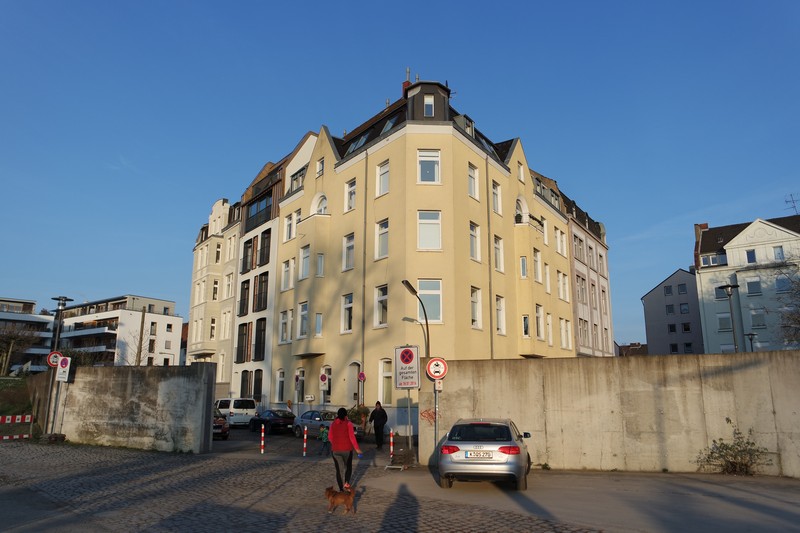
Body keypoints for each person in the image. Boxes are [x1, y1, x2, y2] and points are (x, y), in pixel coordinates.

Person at [329, 407, 362, 492]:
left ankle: (341, 489)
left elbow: (330, 437)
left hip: (335, 451)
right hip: (347, 450)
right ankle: (346, 483)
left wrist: (335, 444)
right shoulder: (348, 424)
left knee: (339, 470)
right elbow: (352, 437)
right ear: (345, 416)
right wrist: (357, 449)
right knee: (348, 468)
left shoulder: (333, 424)